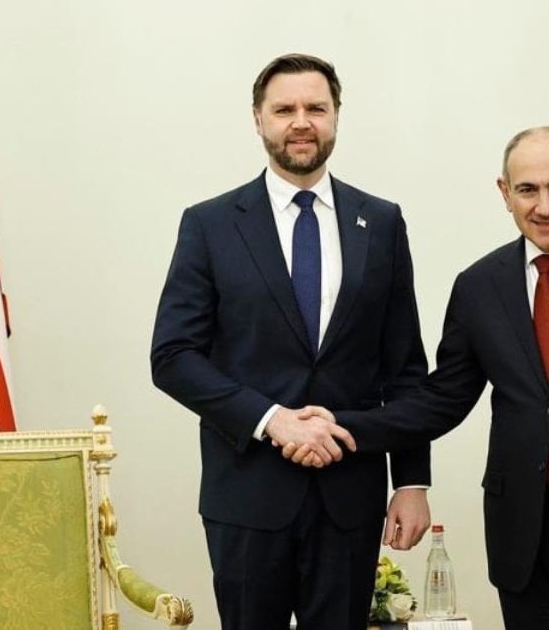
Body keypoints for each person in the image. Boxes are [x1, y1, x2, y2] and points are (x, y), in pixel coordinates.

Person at [285, 126, 549, 628]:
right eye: (527, 190)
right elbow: (442, 400)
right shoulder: (479, 286)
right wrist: (342, 426)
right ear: (505, 194)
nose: (545, 206)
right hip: (524, 541)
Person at [150, 53, 432, 630]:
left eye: (316, 108)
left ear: (336, 116)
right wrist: (272, 420)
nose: (301, 122)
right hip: (247, 495)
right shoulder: (210, 224)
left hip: (349, 495)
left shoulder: (381, 222)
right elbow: (173, 357)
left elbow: (403, 365)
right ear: (259, 119)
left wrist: (410, 481)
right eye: (284, 110)